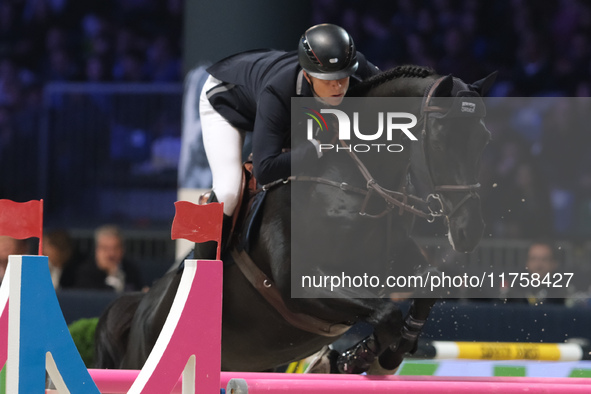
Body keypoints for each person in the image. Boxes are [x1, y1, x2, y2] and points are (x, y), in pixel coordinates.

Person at [197, 23, 380, 257]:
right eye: (327, 79)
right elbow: (265, 168)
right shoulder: (277, 92)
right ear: (307, 75)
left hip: (290, 103)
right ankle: (201, 274)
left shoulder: (356, 66)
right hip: (226, 99)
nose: (337, 86)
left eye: (343, 77)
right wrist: (317, 147)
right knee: (228, 192)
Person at [74, 225, 143, 293]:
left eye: (116, 248)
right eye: (105, 248)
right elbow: (98, 300)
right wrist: (113, 275)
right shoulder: (85, 272)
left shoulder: (130, 269)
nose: (111, 254)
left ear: (123, 250)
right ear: (97, 250)